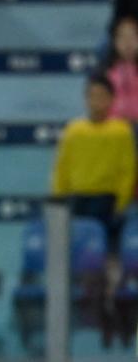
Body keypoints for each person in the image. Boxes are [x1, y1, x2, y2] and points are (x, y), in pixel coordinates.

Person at [52, 74, 137, 221]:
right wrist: (59, 198)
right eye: (92, 96)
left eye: (102, 96)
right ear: (86, 99)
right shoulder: (73, 131)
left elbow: (127, 170)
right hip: (77, 197)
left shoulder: (121, 132)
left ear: (112, 99)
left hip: (107, 198)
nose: (97, 101)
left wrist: (121, 202)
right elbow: (62, 167)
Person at [104, 16, 138, 122]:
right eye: (122, 37)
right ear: (115, 42)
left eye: (132, 36)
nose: (128, 42)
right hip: (115, 129)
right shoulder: (106, 73)